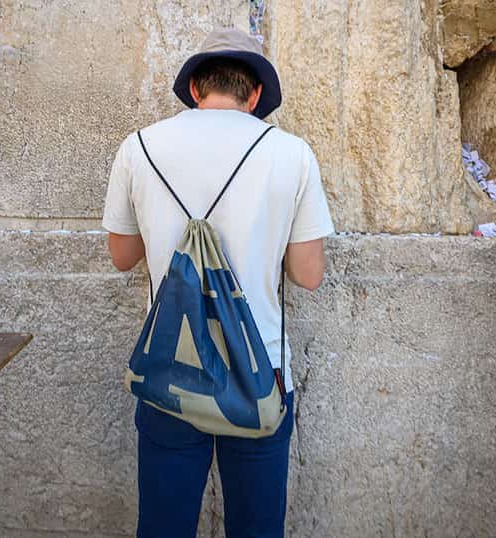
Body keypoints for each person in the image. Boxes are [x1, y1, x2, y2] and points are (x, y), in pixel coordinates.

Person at [101, 27, 335, 537]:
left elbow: (122, 257)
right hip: (260, 376)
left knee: (164, 526)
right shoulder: (292, 154)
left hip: (173, 370)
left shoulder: (139, 147)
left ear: (194, 91)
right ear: (254, 96)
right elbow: (308, 275)